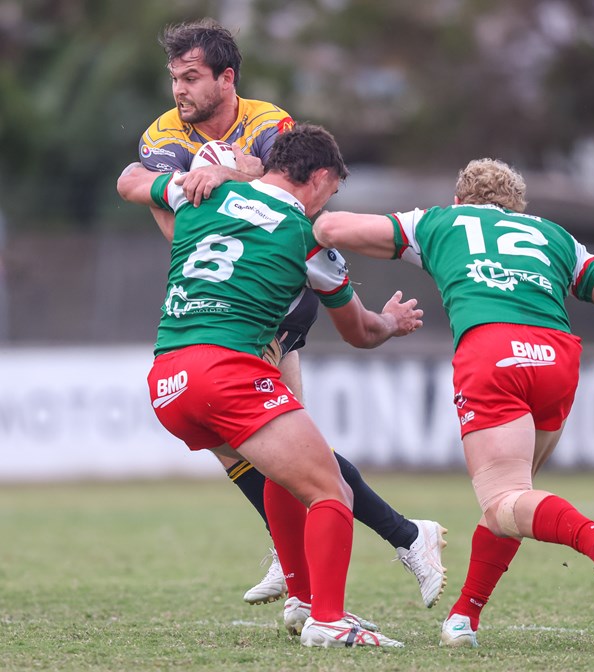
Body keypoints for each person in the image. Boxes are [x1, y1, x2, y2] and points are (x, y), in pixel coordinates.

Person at [313, 158, 594, 647]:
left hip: (493, 351)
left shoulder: (439, 220)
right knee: (513, 498)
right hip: (557, 358)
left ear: (461, 199)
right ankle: (463, 619)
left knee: (503, 500)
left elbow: (330, 225)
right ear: (518, 208)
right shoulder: (556, 238)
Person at [138, 18, 447, 611]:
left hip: (273, 296)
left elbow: (278, 182)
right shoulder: (163, 131)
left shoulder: (269, 122)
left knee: (285, 447)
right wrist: (189, 185)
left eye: (191, 77)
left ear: (226, 79)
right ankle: (393, 538)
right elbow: (137, 183)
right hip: (221, 292)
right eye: (174, 77)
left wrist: (221, 175)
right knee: (256, 447)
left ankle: (375, 551)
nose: (179, 90)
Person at [117, 123, 420, 647]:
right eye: (333, 190)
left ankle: (304, 602)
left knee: (284, 473)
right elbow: (360, 332)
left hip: (168, 378)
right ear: (321, 178)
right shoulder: (310, 235)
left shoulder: (199, 192)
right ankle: (329, 620)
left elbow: (130, 181)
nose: (329, 200)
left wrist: (207, 171)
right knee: (331, 490)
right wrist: (391, 322)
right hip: (226, 372)